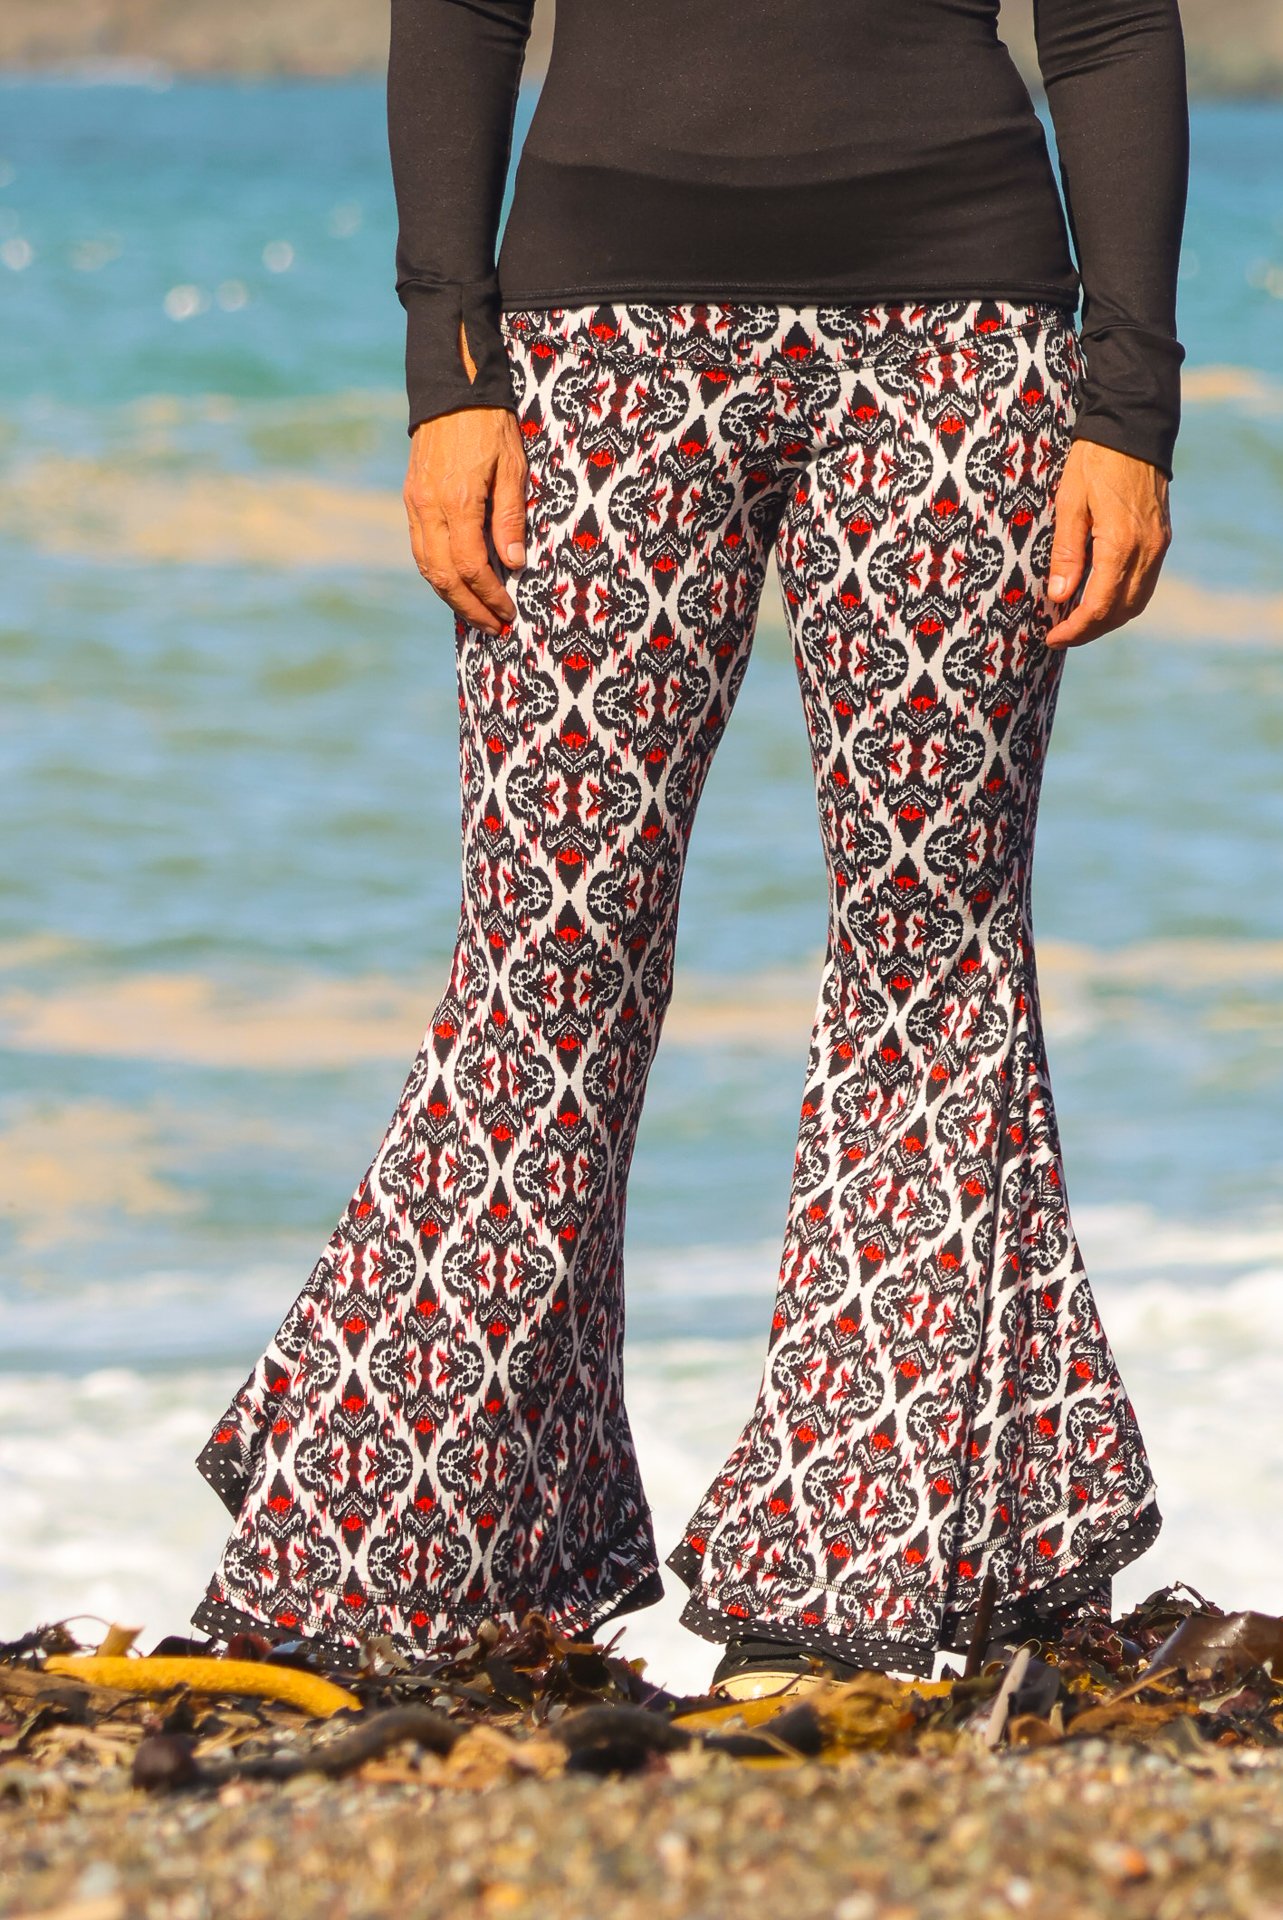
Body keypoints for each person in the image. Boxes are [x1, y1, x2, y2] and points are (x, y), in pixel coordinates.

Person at [191, 0, 1188, 1693]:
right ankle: (403, 1556)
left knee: (930, 957)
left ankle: (852, 1577)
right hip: (596, 346)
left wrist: (1129, 407)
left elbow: (1108, 24)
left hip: (962, 338)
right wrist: (451, 370)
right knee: (548, 955)